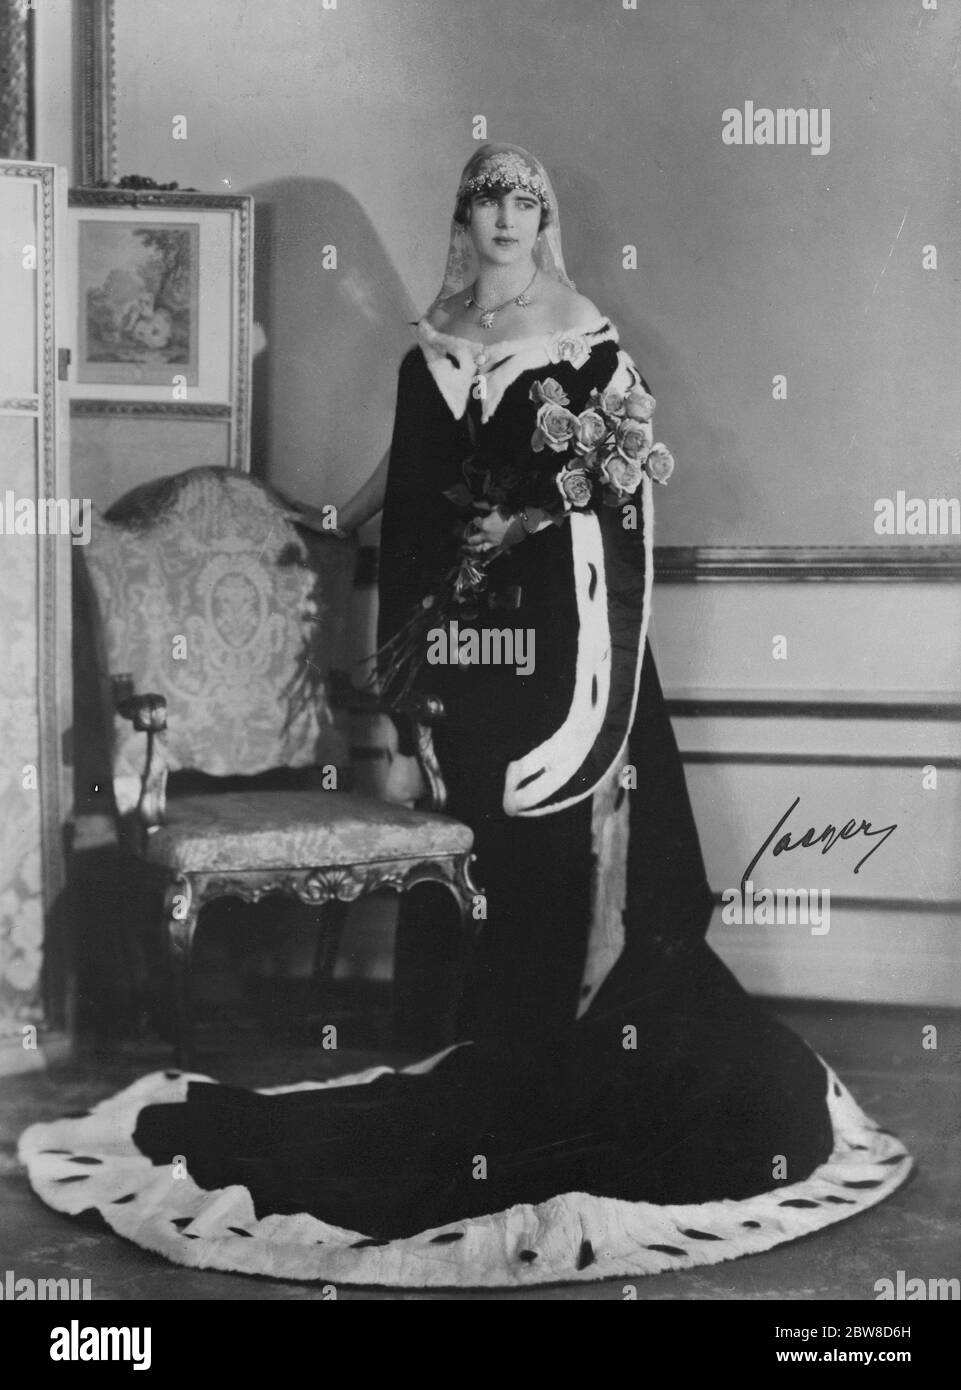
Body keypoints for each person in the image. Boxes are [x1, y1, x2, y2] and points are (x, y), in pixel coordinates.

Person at [19, 143, 911, 1290]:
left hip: (567, 649)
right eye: (487, 197)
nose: (506, 217)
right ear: (463, 215)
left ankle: (567, 1057)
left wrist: (540, 525)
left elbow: (617, 488)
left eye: (525, 200)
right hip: (471, 654)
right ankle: (501, 1055)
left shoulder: (583, 332)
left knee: (580, 862)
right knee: (488, 850)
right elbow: (421, 494)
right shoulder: (433, 345)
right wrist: (375, 584)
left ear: (545, 220)